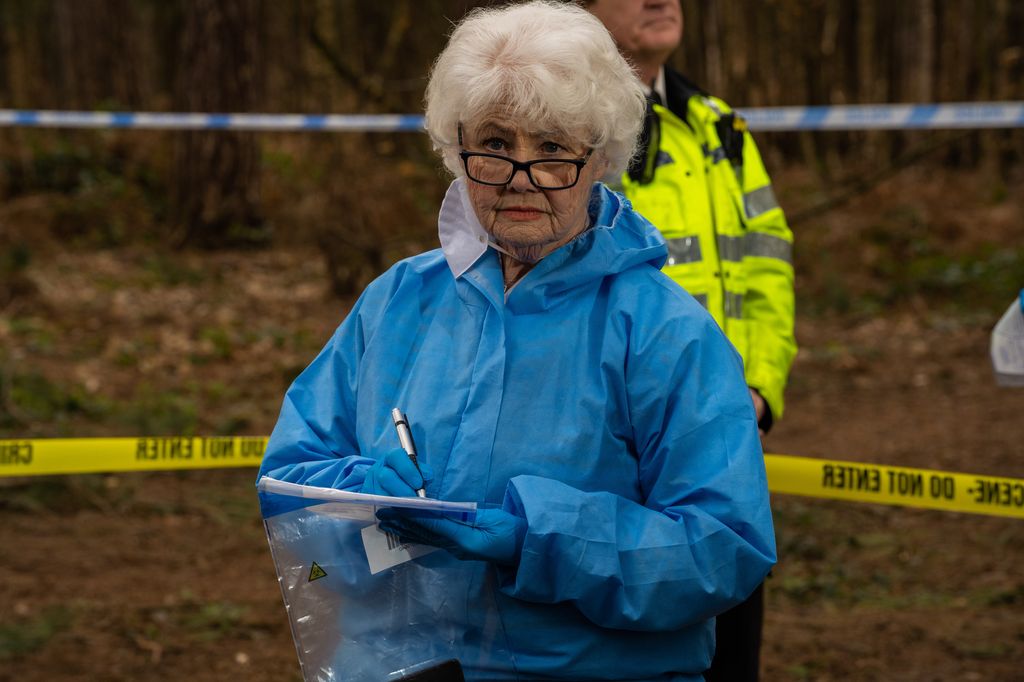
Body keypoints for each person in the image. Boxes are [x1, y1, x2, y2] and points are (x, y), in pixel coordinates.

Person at [257, 2, 775, 680]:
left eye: (554, 147)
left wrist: (540, 539)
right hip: (402, 666)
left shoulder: (665, 331)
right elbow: (288, 475)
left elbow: (724, 550)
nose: (521, 177)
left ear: (601, 157)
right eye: (497, 145)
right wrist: (360, 496)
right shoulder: (395, 302)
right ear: (456, 145)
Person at [583, 1, 797, 680]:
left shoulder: (718, 123)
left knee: (733, 654)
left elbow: (769, 264)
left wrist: (758, 392)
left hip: (726, 454)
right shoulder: (561, 127)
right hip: (611, 468)